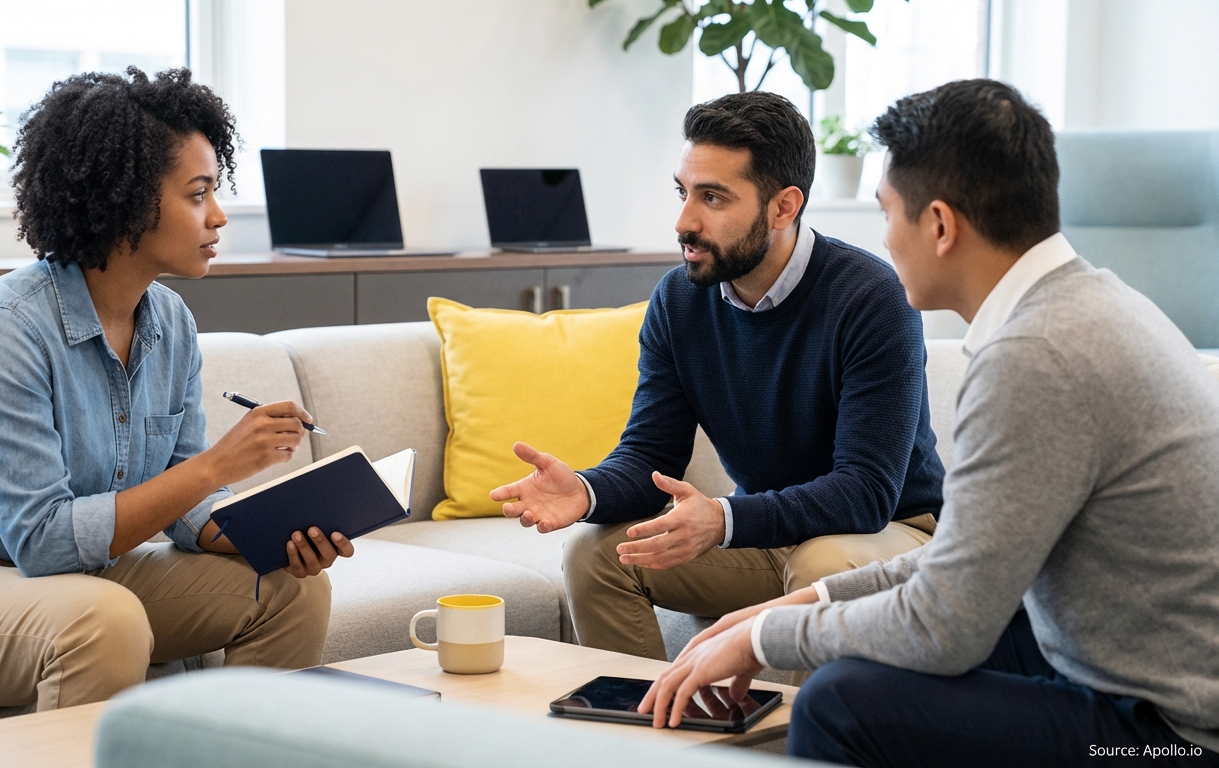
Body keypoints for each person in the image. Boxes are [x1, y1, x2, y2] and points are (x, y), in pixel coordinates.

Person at [640, 79, 1219, 767]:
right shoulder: (1093, 304)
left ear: (940, 225)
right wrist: (792, 608)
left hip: (1168, 738)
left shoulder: (1032, 358)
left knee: (838, 700)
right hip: (1124, 664)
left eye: (887, 213)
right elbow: (957, 570)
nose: (883, 238)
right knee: (863, 654)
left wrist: (766, 642)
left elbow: (946, 626)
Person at [0, 68, 352, 711]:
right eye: (198, 195)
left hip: (78, 581)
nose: (219, 217)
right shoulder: (4, 329)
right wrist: (216, 465)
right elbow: (45, 541)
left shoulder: (169, 322)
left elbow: (188, 510)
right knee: (102, 618)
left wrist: (274, 534)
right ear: (127, 202)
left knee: (289, 589)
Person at [490, 91, 944, 661]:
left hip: (892, 535)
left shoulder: (873, 298)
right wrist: (586, 490)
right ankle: (646, 734)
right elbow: (650, 454)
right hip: (769, 530)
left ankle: (788, 747)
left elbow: (866, 492)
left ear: (784, 207)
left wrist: (725, 518)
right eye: (683, 193)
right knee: (595, 553)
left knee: (819, 563)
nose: (684, 221)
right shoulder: (679, 300)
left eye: (713, 198)